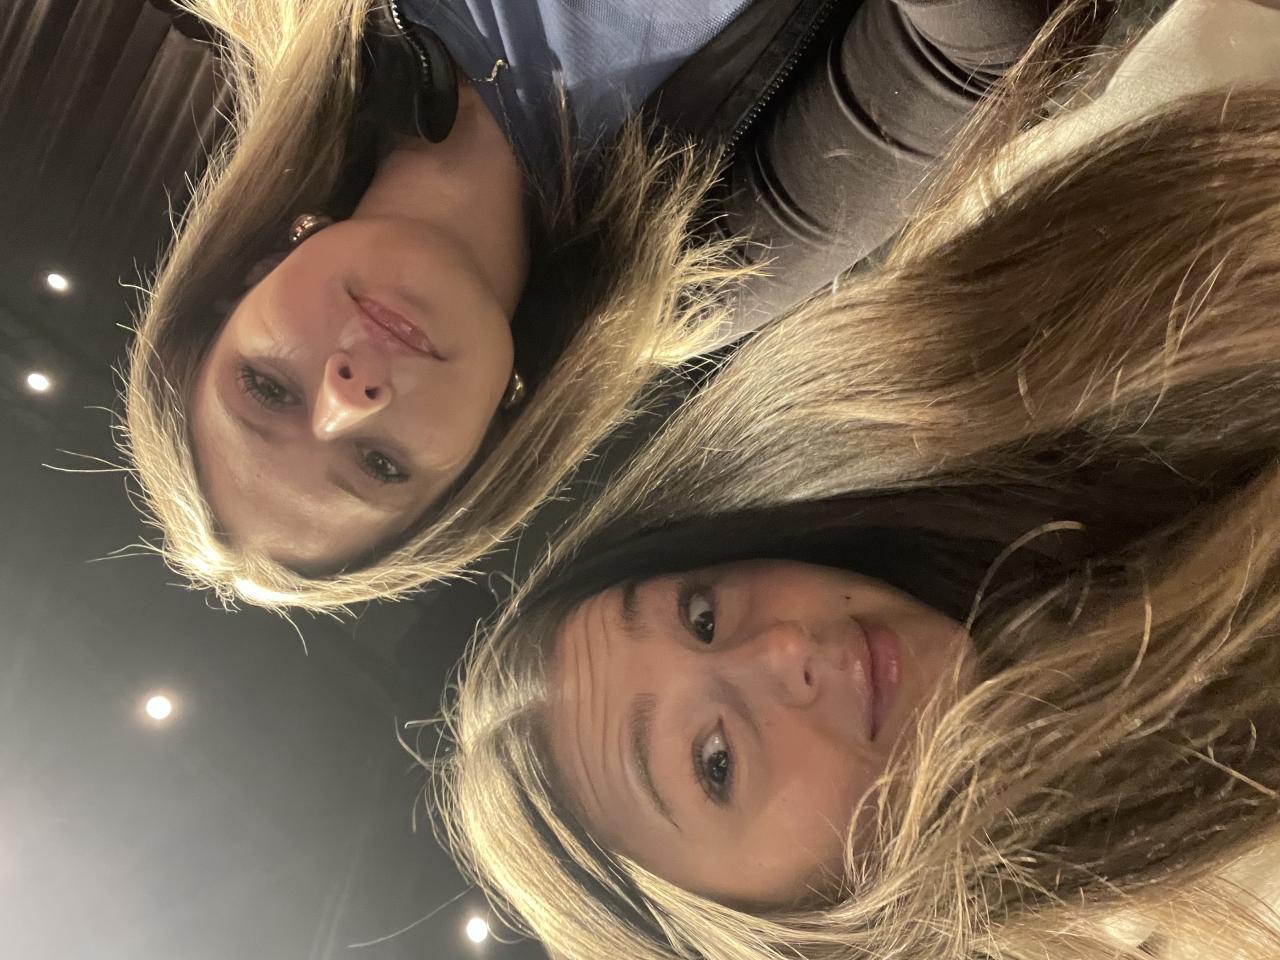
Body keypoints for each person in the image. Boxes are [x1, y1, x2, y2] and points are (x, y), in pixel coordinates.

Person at [435, 2, 1280, 957]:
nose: (782, 647)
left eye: (702, 615)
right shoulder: (1217, 912)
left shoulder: (992, 330)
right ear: (755, 926)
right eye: (715, 764)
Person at [122, 0, 1053, 611]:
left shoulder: (311, 21)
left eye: (267, 390)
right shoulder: (705, 270)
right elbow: (969, 57)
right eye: (378, 463)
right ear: (490, 445)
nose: (347, 392)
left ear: (242, 280)